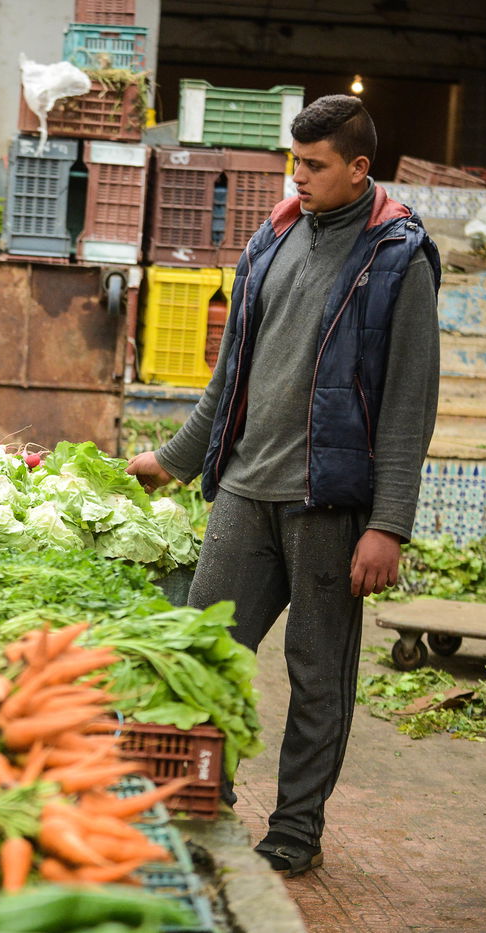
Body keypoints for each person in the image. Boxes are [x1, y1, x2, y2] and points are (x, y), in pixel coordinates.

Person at [126, 95, 441, 876]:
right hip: (244, 487)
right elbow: (229, 374)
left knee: (316, 671)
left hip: (330, 505)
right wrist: (175, 459)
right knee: (203, 650)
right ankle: (204, 801)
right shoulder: (272, 239)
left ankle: (297, 827)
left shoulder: (397, 258)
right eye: (292, 162)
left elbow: (410, 402)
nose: (297, 179)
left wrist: (389, 523)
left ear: (359, 168)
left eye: (315, 165)